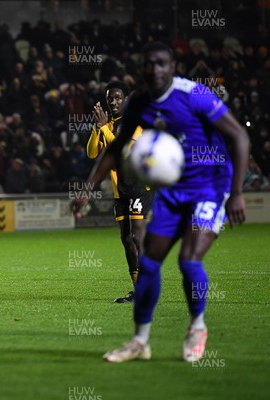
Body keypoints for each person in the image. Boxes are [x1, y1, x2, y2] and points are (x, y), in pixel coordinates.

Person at [71, 42, 248, 363]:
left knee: (188, 260)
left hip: (210, 186)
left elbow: (239, 136)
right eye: (148, 64)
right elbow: (114, 149)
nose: (154, 69)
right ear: (142, 68)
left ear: (172, 66)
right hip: (173, 189)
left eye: (161, 63)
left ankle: (197, 327)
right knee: (149, 262)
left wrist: (236, 192)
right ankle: (140, 341)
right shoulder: (139, 102)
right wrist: (87, 189)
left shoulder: (194, 94)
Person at [85, 81, 152, 303]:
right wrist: (98, 128)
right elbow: (92, 153)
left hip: (138, 186)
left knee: (136, 236)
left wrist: (104, 128)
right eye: (109, 98)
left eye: (117, 98)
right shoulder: (108, 125)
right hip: (119, 190)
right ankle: (137, 290)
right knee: (126, 239)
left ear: (125, 100)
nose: (113, 102)